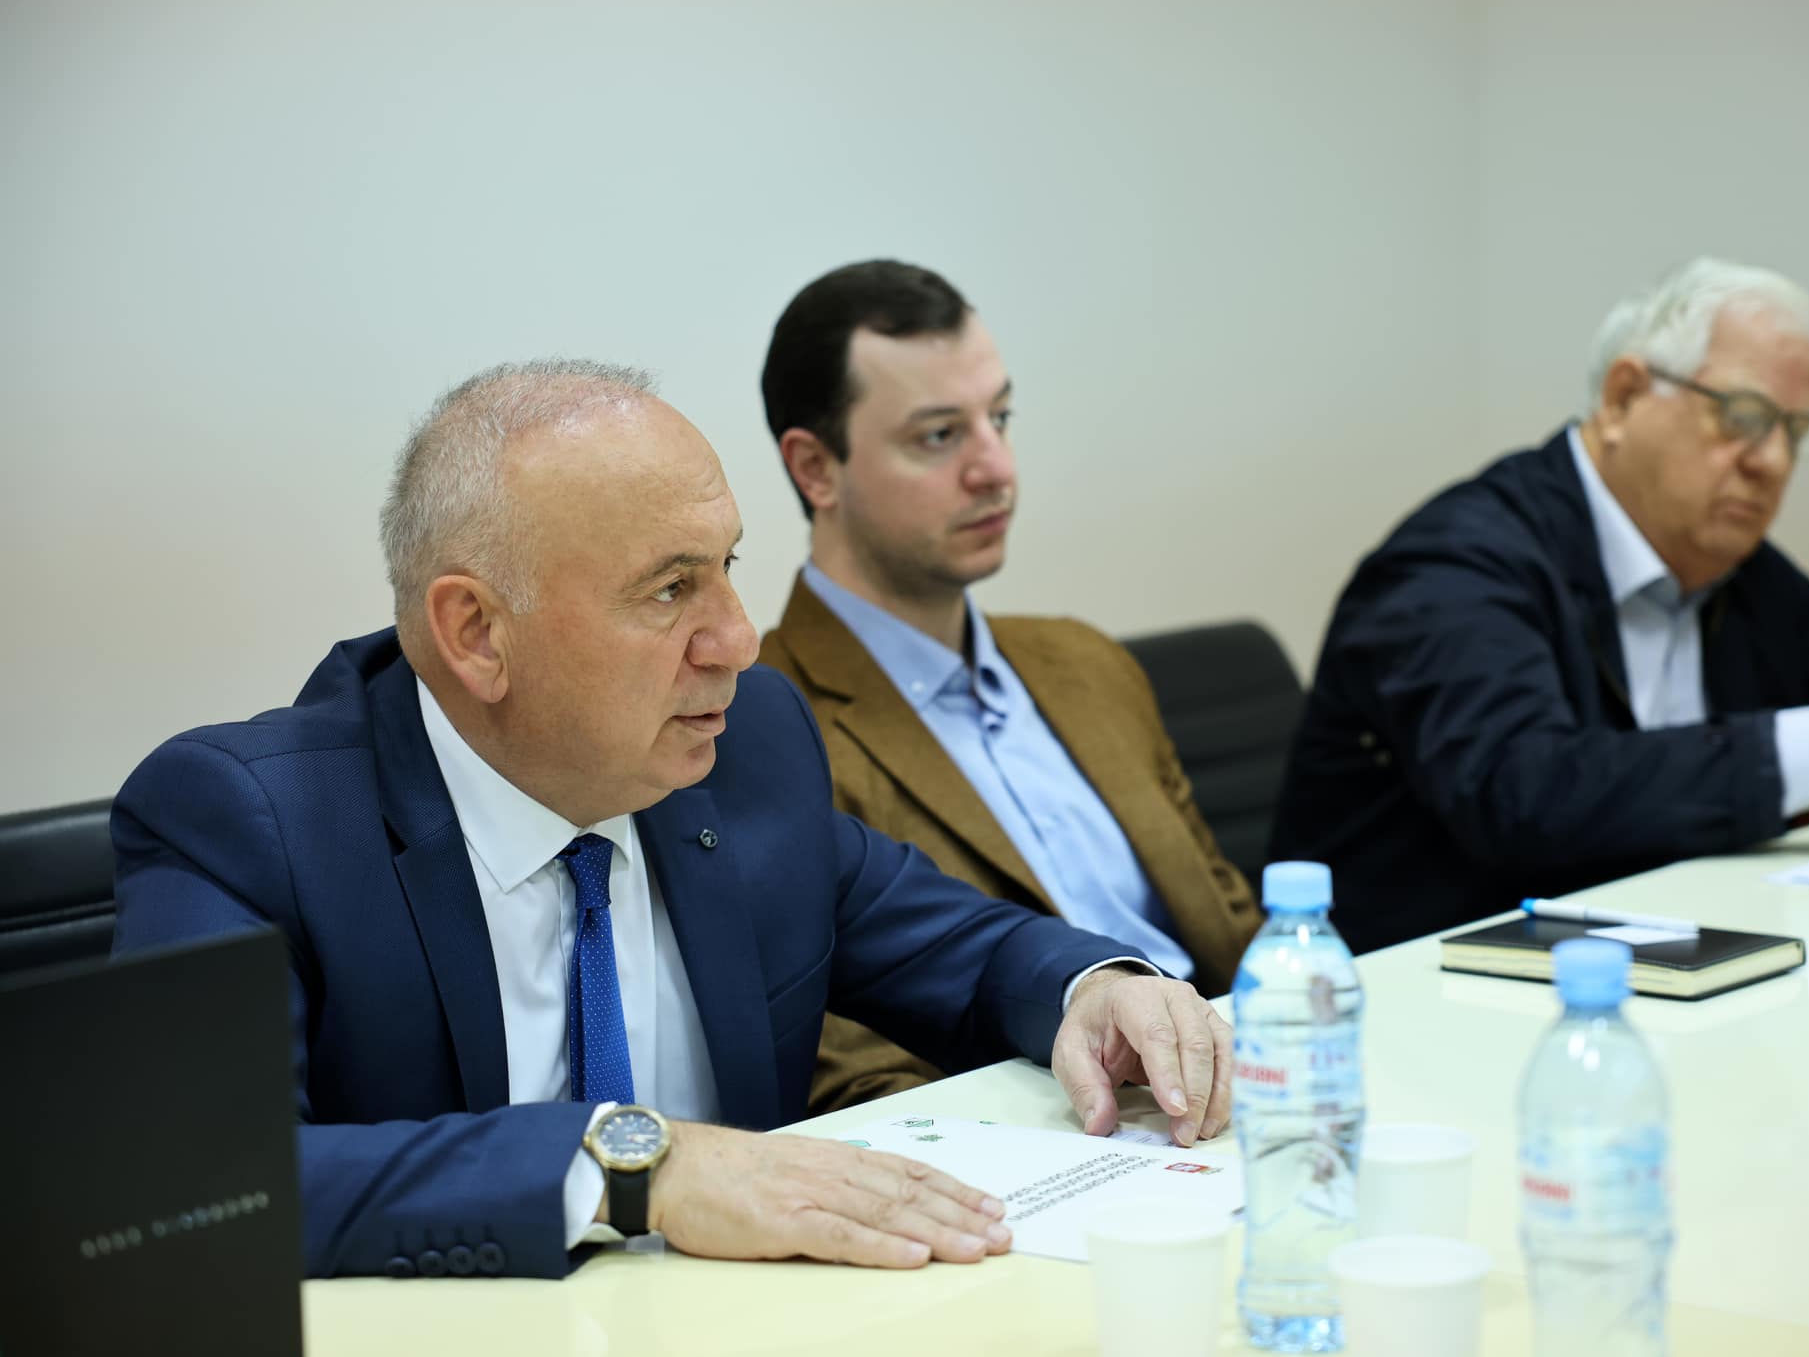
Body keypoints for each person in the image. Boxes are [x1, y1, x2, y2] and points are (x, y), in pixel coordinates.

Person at [111, 360, 1234, 1280]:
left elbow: (963, 949)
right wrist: (631, 1165)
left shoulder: (744, 750)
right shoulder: (249, 823)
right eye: (669, 589)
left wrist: (1098, 989)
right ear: (477, 634)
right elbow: (192, 1187)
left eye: (727, 567)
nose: (737, 639)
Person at [1271, 257, 1809, 954]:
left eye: (1795, 431)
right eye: (1743, 417)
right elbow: (1526, 795)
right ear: (1624, 397)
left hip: (1656, 969)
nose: (1773, 461)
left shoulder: (1733, 570)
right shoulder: (1455, 564)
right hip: (1409, 1003)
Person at [754, 259, 1260, 1111]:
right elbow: (861, 1082)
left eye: (1001, 418)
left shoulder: (1086, 662)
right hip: (1065, 1130)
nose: (996, 468)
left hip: (1234, 1088)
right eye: (939, 436)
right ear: (816, 470)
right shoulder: (762, 733)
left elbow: (1236, 935)